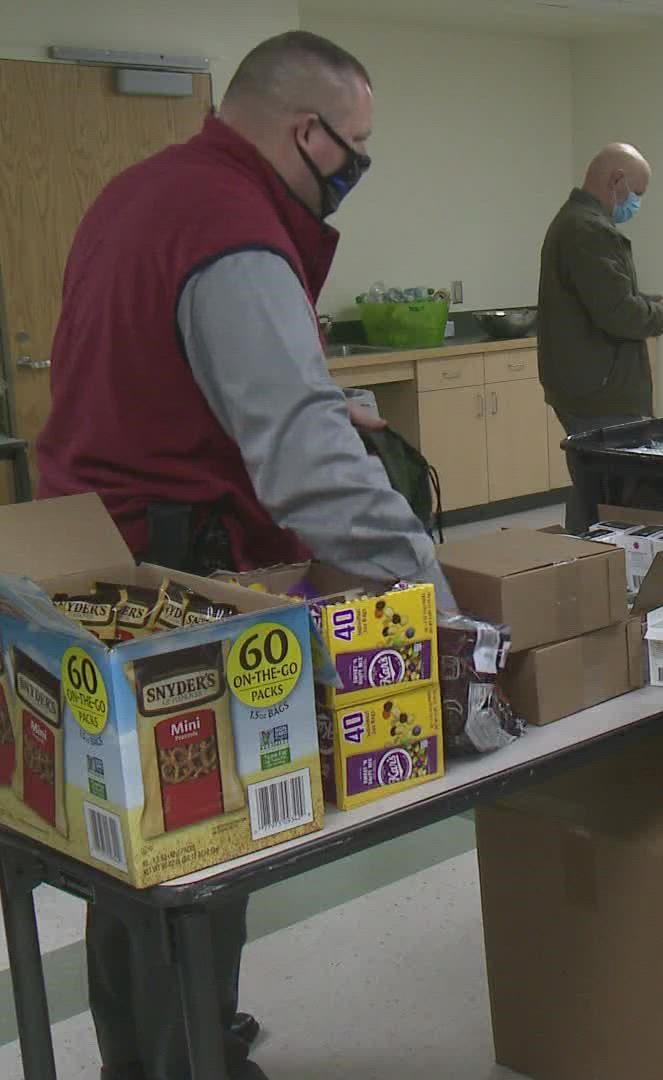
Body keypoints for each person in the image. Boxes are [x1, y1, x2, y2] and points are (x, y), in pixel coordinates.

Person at [33, 31, 456, 1080]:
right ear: (304, 131)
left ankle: (188, 1036)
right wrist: (441, 610)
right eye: (352, 150)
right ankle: (169, 1061)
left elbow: (174, 376)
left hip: (97, 558)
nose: (355, 172)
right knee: (187, 843)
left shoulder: (146, 193)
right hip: (178, 584)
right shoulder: (232, 230)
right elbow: (306, 463)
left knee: (150, 844)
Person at [538, 143, 663, 529]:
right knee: (611, 489)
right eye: (637, 193)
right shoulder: (588, 230)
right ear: (616, 181)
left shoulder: (576, 223)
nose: (636, 204)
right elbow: (618, 313)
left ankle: (590, 566)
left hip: (588, 385)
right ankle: (598, 568)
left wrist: (658, 304)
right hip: (601, 390)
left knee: (594, 481)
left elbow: (608, 297)